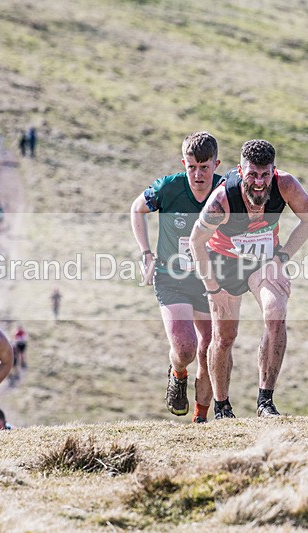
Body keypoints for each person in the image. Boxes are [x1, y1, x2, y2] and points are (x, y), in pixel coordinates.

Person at [189, 139, 308, 419]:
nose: (259, 182)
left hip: (264, 261)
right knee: (224, 336)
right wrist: (212, 288)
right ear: (240, 170)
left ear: (273, 170)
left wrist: (280, 258)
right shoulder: (222, 200)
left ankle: (265, 401)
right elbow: (195, 242)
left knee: (276, 314)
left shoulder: (285, 185)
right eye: (252, 174)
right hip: (224, 264)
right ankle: (222, 407)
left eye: (264, 174)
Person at [130, 131, 221, 422]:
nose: (197, 174)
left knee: (209, 349)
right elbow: (137, 209)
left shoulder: (224, 190)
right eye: (191, 167)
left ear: (216, 165)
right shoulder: (169, 188)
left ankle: (201, 418)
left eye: (204, 168)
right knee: (185, 348)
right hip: (171, 277)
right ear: (184, 163)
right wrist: (146, 253)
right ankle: (177, 372)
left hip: (209, 280)